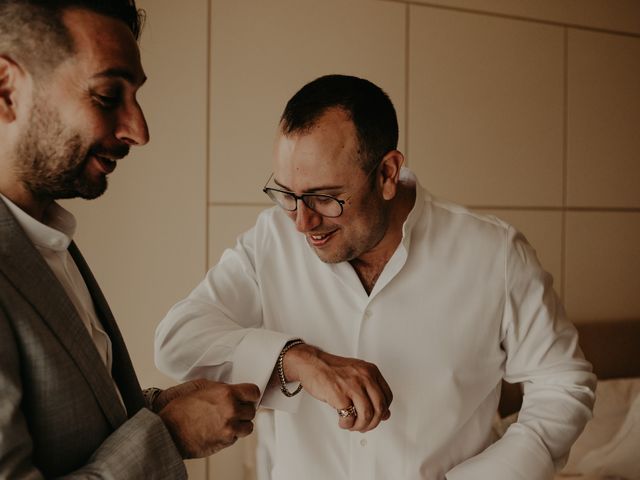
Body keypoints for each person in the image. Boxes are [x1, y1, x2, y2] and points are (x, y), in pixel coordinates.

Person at [155, 74, 596, 480]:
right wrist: (298, 359)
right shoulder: (270, 240)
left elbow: (563, 384)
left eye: (325, 198)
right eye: (287, 194)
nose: (302, 223)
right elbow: (178, 341)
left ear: (386, 173)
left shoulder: (494, 254)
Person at [0, 1, 260, 478]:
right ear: (6, 90)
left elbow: (68, 425)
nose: (138, 130)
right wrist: (167, 436)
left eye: (135, 96)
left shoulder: (47, 237)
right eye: (106, 96)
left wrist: (154, 409)